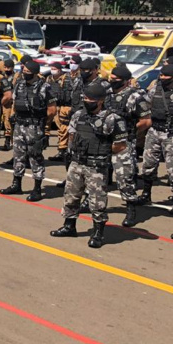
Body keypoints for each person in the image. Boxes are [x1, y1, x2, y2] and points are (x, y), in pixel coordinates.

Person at [50, 83, 127, 249]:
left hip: (96, 166)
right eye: (85, 98)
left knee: (97, 201)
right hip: (77, 162)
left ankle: (98, 233)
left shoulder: (112, 119)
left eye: (90, 99)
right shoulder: (79, 115)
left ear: (100, 101)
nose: (86, 101)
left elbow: (120, 145)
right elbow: (72, 134)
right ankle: (69, 226)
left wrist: (102, 152)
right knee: (71, 195)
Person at [0, 60, 57, 201]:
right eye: (23, 72)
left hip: (35, 127)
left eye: (28, 73)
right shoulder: (19, 85)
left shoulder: (45, 87)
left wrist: (43, 124)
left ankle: (37, 189)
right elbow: (14, 102)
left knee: (35, 157)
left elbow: (52, 110)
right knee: (18, 155)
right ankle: (16, 184)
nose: (24, 75)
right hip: (20, 126)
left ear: (35, 73)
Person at [104, 65, 151, 227]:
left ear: (125, 81)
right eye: (111, 78)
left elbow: (145, 121)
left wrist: (128, 132)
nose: (112, 81)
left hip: (123, 143)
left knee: (125, 176)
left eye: (116, 80)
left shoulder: (135, 97)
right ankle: (90, 200)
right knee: (97, 172)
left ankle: (130, 208)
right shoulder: (107, 94)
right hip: (104, 141)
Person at [138, 64, 173, 213]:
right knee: (148, 164)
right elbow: (144, 104)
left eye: (167, 76)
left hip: (172, 134)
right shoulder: (156, 89)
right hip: (154, 131)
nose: (163, 78)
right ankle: (146, 194)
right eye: (162, 75)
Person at [47, 61, 74, 162]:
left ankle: (62, 151)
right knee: (59, 129)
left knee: (63, 129)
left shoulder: (67, 79)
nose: (53, 70)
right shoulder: (49, 78)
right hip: (53, 105)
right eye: (52, 68)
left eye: (55, 68)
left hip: (64, 106)